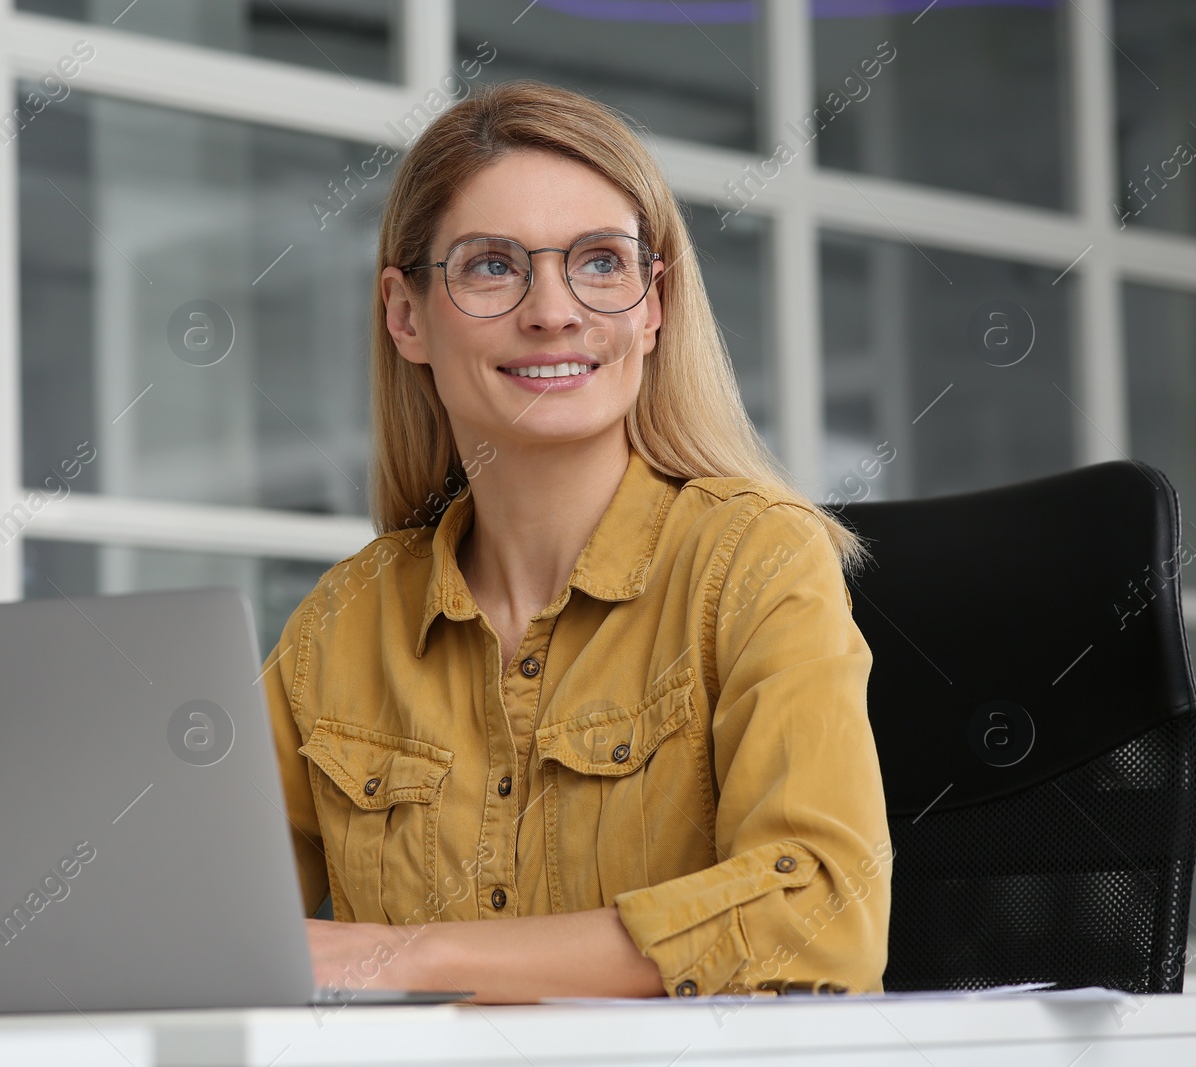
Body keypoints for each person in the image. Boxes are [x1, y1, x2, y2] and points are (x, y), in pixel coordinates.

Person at [261, 80, 890, 1004]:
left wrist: (413, 957)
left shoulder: (758, 562)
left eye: (600, 262)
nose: (554, 311)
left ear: (653, 305)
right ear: (405, 316)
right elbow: (201, 917)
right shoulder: (342, 625)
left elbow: (821, 916)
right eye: (490, 266)